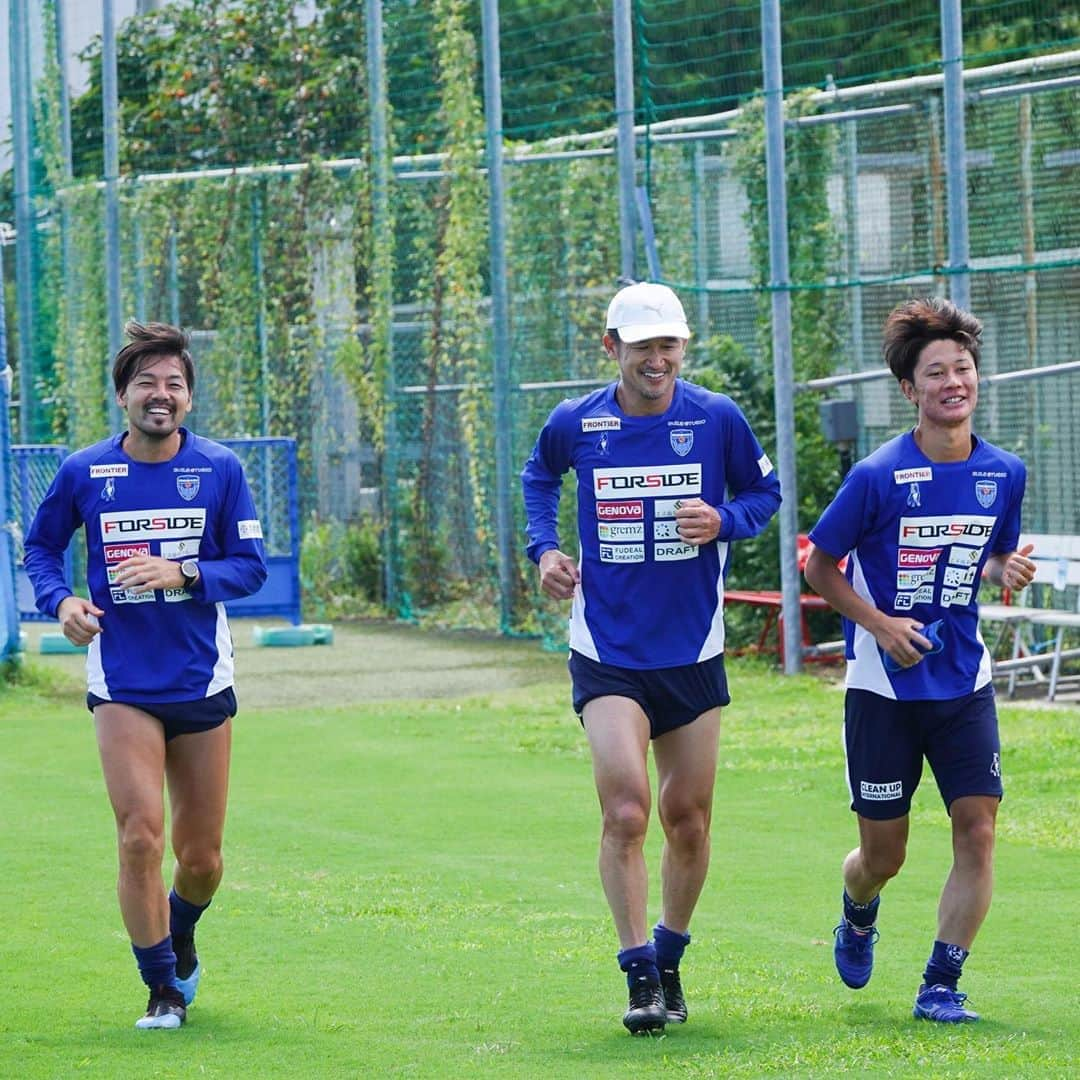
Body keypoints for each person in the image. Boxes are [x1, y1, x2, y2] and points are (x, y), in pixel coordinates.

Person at [520, 282, 781, 1034]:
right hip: (608, 649)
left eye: (669, 345)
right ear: (613, 350)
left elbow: (765, 495)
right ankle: (637, 973)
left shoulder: (716, 418)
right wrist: (545, 551)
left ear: (682, 348)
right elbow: (539, 478)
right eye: (643, 348)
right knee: (629, 809)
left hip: (693, 649)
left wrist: (723, 519)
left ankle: (670, 952)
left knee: (688, 819)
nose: (658, 360)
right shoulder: (577, 422)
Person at [24, 321, 268, 1030]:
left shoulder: (221, 470)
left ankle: (180, 928)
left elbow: (249, 568)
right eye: (146, 384)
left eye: (174, 384)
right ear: (123, 395)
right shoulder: (84, 471)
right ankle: (161, 988)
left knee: (203, 859)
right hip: (123, 680)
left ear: (188, 400)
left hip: (198, 681)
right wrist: (62, 601)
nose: (159, 396)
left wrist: (184, 570)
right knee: (138, 835)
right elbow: (42, 548)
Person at [804, 297, 1036, 1023]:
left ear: (976, 379)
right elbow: (820, 565)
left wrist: (1002, 569)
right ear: (910, 390)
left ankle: (941, 981)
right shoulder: (875, 475)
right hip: (882, 692)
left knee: (979, 829)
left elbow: (991, 550)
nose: (953, 382)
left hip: (964, 684)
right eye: (936, 372)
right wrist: (878, 625)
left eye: (962, 369)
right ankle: (858, 908)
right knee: (885, 856)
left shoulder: (1005, 471)